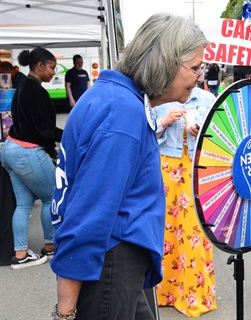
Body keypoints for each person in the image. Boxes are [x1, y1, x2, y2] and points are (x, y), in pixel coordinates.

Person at [50, 13, 209, 320]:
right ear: (165, 61)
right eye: (194, 68)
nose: (198, 77)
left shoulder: (111, 96)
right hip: (111, 262)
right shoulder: (122, 112)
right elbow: (89, 214)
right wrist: (65, 309)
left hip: (116, 260)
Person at [153, 85, 217, 317]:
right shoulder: (159, 96)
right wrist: (165, 122)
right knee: (165, 229)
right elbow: (147, 135)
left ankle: (195, 294)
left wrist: (201, 133)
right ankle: (164, 292)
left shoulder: (207, 98)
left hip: (196, 170)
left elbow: (219, 137)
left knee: (195, 230)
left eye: (197, 69)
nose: (194, 74)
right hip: (166, 170)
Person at [0, 48, 63, 269]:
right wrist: (68, 138)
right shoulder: (36, 91)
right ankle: (49, 246)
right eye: (52, 67)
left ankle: (20, 254)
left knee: (24, 204)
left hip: (10, 150)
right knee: (51, 197)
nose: (53, 72)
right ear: (40, 66)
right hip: (27, 152)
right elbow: (45, 131)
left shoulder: (23, 87)